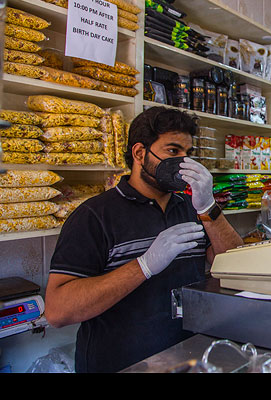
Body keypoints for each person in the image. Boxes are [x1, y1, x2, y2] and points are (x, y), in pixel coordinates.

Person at [44, 106, 243, 373]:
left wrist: (208, 207)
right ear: (140, 153)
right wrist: (144, 266)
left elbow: (235, 266)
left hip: (187, 357)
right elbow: (57, 312)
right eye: (173, 151)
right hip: (121, 364)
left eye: (189, 154)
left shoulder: (191, 208)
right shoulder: (94, 216)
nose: (184, 162)